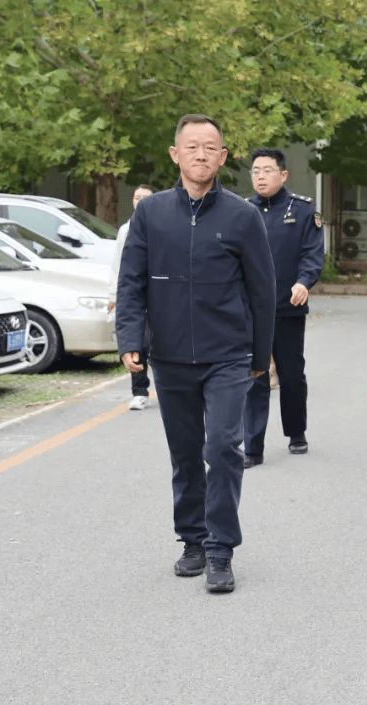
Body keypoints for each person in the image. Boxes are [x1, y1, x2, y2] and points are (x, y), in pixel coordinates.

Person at [117, 114, 276, 594]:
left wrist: (260, 355)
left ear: (223, 157)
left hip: (228, 353)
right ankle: (192, 539)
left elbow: (262, 291)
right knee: (185, 455)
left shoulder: (242, 216)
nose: (201, 154)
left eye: (210, 147)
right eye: (192, 146)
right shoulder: (151, 213)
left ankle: (220, 548)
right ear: (176, 154)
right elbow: (132, 281)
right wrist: (130, 339)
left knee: (223, 448)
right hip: (169, 355)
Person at [242, 148, 324, 469]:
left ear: (283, 174)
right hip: (250, 311)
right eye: (255, 171)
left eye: (267, 170)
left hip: (288, 307)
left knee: (291, 375)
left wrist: (304, 282)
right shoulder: (243, 211)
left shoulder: (302, 210)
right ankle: (253, 446)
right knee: (254, 376)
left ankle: (296, 432)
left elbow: (312, 253)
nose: (260, 176)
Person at [108, 184, 154, 410]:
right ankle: (139, 391)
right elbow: (118, 265)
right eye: (137, 197)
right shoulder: (125, 230)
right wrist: (113, 295)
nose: (140, 201)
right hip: (136, 295)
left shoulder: (164, 227)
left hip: (160, 295)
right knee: (138, 344)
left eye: (145, 197)